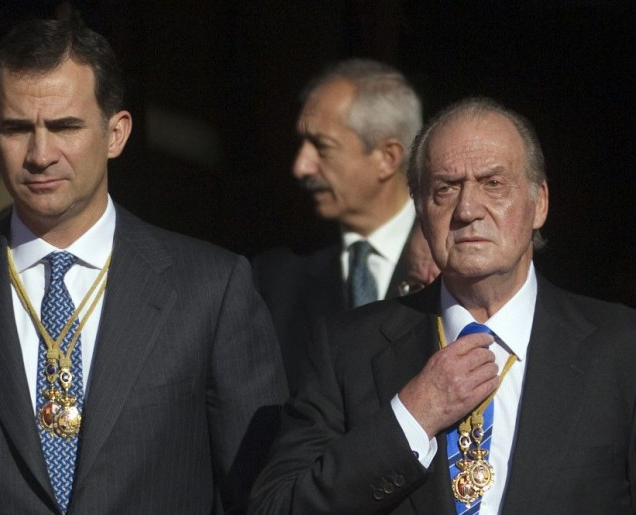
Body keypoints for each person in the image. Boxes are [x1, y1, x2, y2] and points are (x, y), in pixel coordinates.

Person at [0, 19, 287, 514]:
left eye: (64, 127)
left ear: (116, 133)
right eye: (19, 129)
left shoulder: (211, 289)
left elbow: (261, 496)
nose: (41, 155)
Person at [248, 97, 636, 514]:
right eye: (445, 188)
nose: (467, 210)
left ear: (539, 203)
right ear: (420, 208)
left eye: (493, 184)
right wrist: (411, 418)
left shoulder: (621, 349)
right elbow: (277, 507)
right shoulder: (346, 349)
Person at [252, 59, 423, 393]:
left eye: (322, 147)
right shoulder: (277, 275)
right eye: (303, 144)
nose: (301, 166)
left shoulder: (454, 262)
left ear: (387, 157)